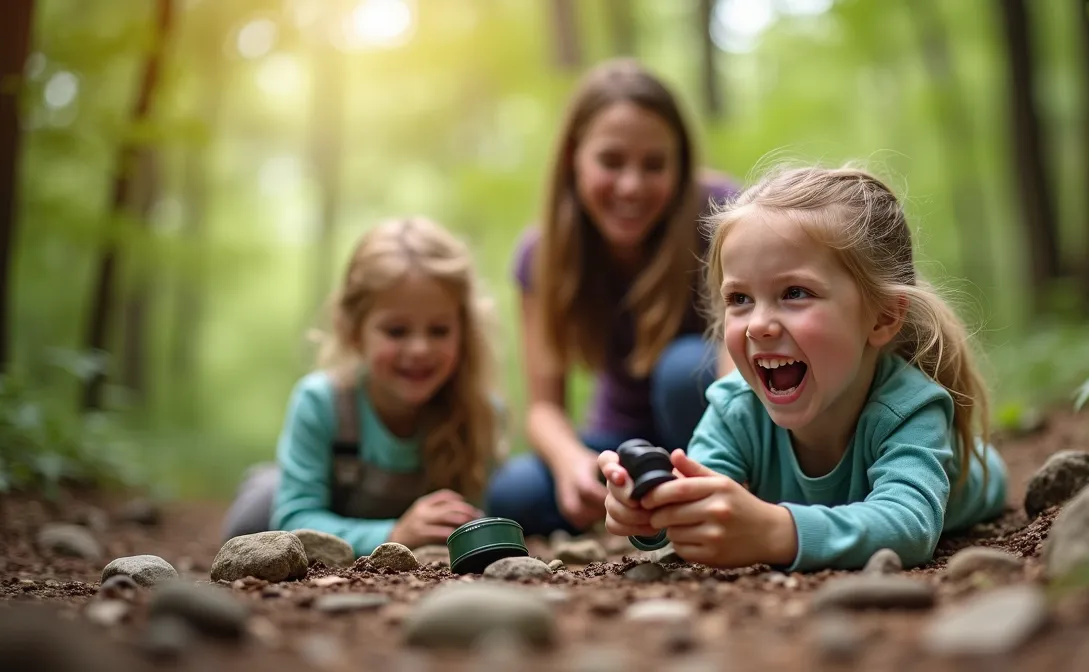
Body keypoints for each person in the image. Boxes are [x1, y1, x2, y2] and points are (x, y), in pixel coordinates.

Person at [598, 164, 1010, 572]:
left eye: (795, 293)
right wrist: (652, 510)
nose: (758, 324)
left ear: (883, 318)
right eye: (739, 299)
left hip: (977, 480)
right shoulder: (736, 408)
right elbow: (700, 500)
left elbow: (909, 526)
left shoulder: (910, 410)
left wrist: (777, 531)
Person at [482, 58, 738, 538]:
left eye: (654, 165)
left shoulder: (722, 214)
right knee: (513, 493)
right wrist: (570, 463)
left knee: (685, 370)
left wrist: (722, 450)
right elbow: (543, 408)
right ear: (574, 157)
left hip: (719, 422)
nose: (631, 186)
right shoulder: (543, 256)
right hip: (623, 441)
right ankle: (650, 509)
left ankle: (704, 496)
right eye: (611, 161)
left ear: (681, 164)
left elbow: (740, 367)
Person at [220, 217, 505, 558]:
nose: (419, 349)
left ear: (464, 332)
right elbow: (295, 519)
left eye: (439, 330)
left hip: (382, 530)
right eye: (396, 331)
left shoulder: (478, 412)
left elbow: (470, 515)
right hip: (314, 511)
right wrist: (397, 532)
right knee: (257, 513)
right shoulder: (322, 402)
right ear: (354, 331)